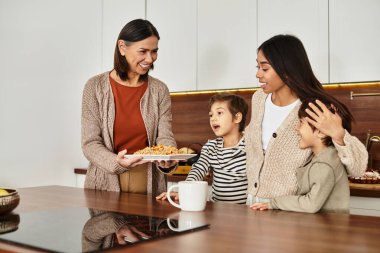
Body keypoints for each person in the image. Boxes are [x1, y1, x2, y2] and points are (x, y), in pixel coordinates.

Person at [245, 34, 368, 206]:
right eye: (257, 67)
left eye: (265, 69)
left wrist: (339, 135)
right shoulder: (258, 99)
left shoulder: (313, 108)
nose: (258, 74)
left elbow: (357, 168)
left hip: (291, 209)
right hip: (253, 203)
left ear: (286, 70)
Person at [81, 19, 177, 195]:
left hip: (148, 182)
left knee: (149, 223)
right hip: (105, 182)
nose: (150, 58)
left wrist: (168, 158)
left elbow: (165, 137)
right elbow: (90, 143)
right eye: (143, 51)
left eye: (154, 51)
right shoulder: (94, 87)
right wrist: (116, 162)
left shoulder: (159, 90)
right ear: (122, 47)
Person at [251, 98, 351, 213]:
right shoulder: (325, 156)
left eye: (301, 123)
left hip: (329, 229)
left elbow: (311, 204)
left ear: (321, 132)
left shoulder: (324, 164)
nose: (296, 128)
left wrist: (274, 203)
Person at [157, 93, 249, 204]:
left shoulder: (250, 145)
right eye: (211, 115)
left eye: (219, 113)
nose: (213, 118)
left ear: (237, 117)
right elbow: (198, 170)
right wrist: (184, 191)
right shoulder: (211, 147)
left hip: (244, 213)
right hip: (217, 211)